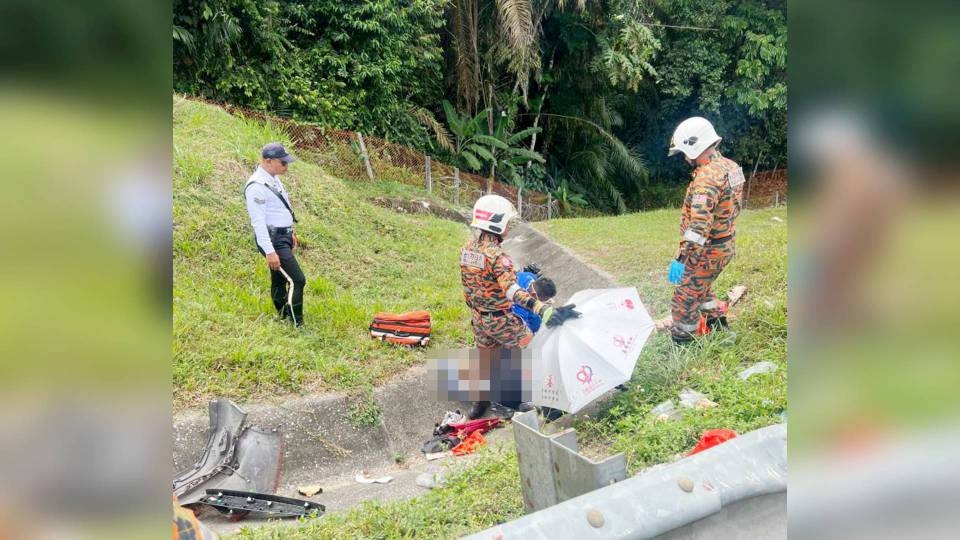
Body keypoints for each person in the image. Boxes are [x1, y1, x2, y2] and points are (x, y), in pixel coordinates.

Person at [460, 195, 580, 418]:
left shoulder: (467, 249)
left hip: (478, 319)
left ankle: (481, 405)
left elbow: (468, 286)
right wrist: (542, 309)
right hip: (501, 320)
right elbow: (511, 290)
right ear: (497, 223)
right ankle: (549, 408)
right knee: (535, 353)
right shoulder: (497, 256)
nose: (508, 228)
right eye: (507, 223)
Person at [666, 117, 745, 344]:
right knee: (702, 288)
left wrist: (681, 258)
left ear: (694, 145)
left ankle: (683, 345)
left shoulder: (706, 178)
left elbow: (699, 227)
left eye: (684, 152)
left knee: (684, 299)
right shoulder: (731, 167)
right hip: (725, 245)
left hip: (706, 250)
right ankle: (720, 331)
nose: (684, 157)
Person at [244, 142, 306, 327]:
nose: (286, 166)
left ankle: (283, 315)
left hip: (283, 236)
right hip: (273, 240)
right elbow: (258, 222)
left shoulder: (273, 178)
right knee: (297, 280)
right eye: (283, 163)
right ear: (268, 161)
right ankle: (298, 325)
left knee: (279, 278)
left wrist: (290, 232)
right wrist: (270, 251)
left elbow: (279, 210)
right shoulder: (256, 186)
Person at [511, 265, 557, 334]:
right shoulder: (519, 311)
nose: (543, 303)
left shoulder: (530, 276)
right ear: (533, 295)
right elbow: (531, 329)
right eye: (542, 301)